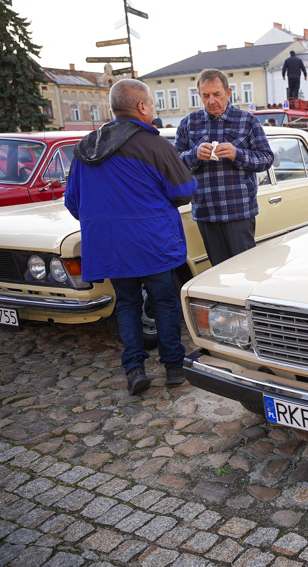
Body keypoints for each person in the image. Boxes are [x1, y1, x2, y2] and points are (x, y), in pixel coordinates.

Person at [64, 79, 196, 396]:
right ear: (141, 107)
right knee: (164, 305)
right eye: (152, 104)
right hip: (153, 244)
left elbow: (73, 202)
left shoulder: (86, 147)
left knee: (126, 305)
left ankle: (134, 370)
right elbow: (184, 191)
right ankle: (174, 369)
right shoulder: (155, 145)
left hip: (111, 246)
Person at [175, 68, 274, 266]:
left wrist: (237, 154)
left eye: (217, 94)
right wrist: (194, 155)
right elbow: (174, 164)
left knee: (246, 270)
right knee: (217, 274)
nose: (211, 101)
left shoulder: (247, 120)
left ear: (228, 93)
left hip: (239, 211)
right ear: (199, 96)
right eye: (206, 96)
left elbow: (266, 159)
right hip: (206, 211)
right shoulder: (188, 123)